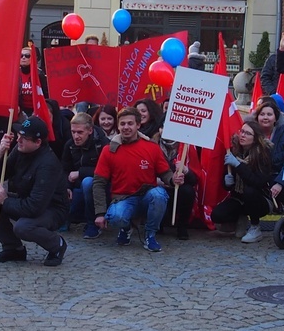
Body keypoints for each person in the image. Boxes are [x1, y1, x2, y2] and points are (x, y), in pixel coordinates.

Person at [0, 117, 69, 266]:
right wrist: (0, 153)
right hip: (27, 200)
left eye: (24, 138)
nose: (18, 140)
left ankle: (57, 245)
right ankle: (13, 248)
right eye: (19, 136)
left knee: (24, 227)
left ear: (38, 142)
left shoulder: (48, 164)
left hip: (51, 208)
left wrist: (6, 201)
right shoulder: (20, 150)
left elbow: (35, 207)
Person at [92, 107, 185, 252]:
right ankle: (126, 228)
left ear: (138, 125)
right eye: (122, 124)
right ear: (118, 126)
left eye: (130, 124)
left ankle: (150, 234)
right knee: (115, 216)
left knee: (159, 195)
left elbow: (165, 173)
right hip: (123, 198)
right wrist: (100, 213)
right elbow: (98, 182)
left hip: (147, 197)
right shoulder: (108, 150)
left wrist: (173, 180)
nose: (126, 127)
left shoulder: (152, 148)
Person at [211, 120, 273, 243]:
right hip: (239, 198)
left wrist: (238, 165)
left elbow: (257, 182)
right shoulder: (234, 152)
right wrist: (227, 182)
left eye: (248, 133)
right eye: (242, 131)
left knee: (249, 191)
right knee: (217, 215)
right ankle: (241, 218)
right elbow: (229, 185)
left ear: (255, 138)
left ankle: (255, 227)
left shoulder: (263, 154)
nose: (243, 135)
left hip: (260, 199)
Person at [61, 112, 109, 239]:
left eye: (80, 132)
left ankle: (92, 224)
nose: (76, 136)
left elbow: (107, 170)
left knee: (88, 182)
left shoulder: (103, 144)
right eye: (73, 132)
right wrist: (67, 187)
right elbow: (65, 169)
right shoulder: (70, 145)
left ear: (90, 130)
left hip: (100, 186)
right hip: (76, 186)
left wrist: (81, 173)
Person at [154, 129, 199, 240]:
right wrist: (159, 181)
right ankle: (157, 223)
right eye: (163, 126)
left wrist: (186, 171)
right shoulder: (152, 145)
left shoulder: (186, 146)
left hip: (179, 188)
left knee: (188, 191)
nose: (165, 130)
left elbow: (194, 180)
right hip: (158, 185)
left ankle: (182, 226)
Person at [19, 47, 47, 117]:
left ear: (33, 58)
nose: (23, 58)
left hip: (35, 110)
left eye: (27, 56)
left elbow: (45, 94)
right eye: (21, 56)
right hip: (20, 110)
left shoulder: (39, 75)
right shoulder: (15, 74)